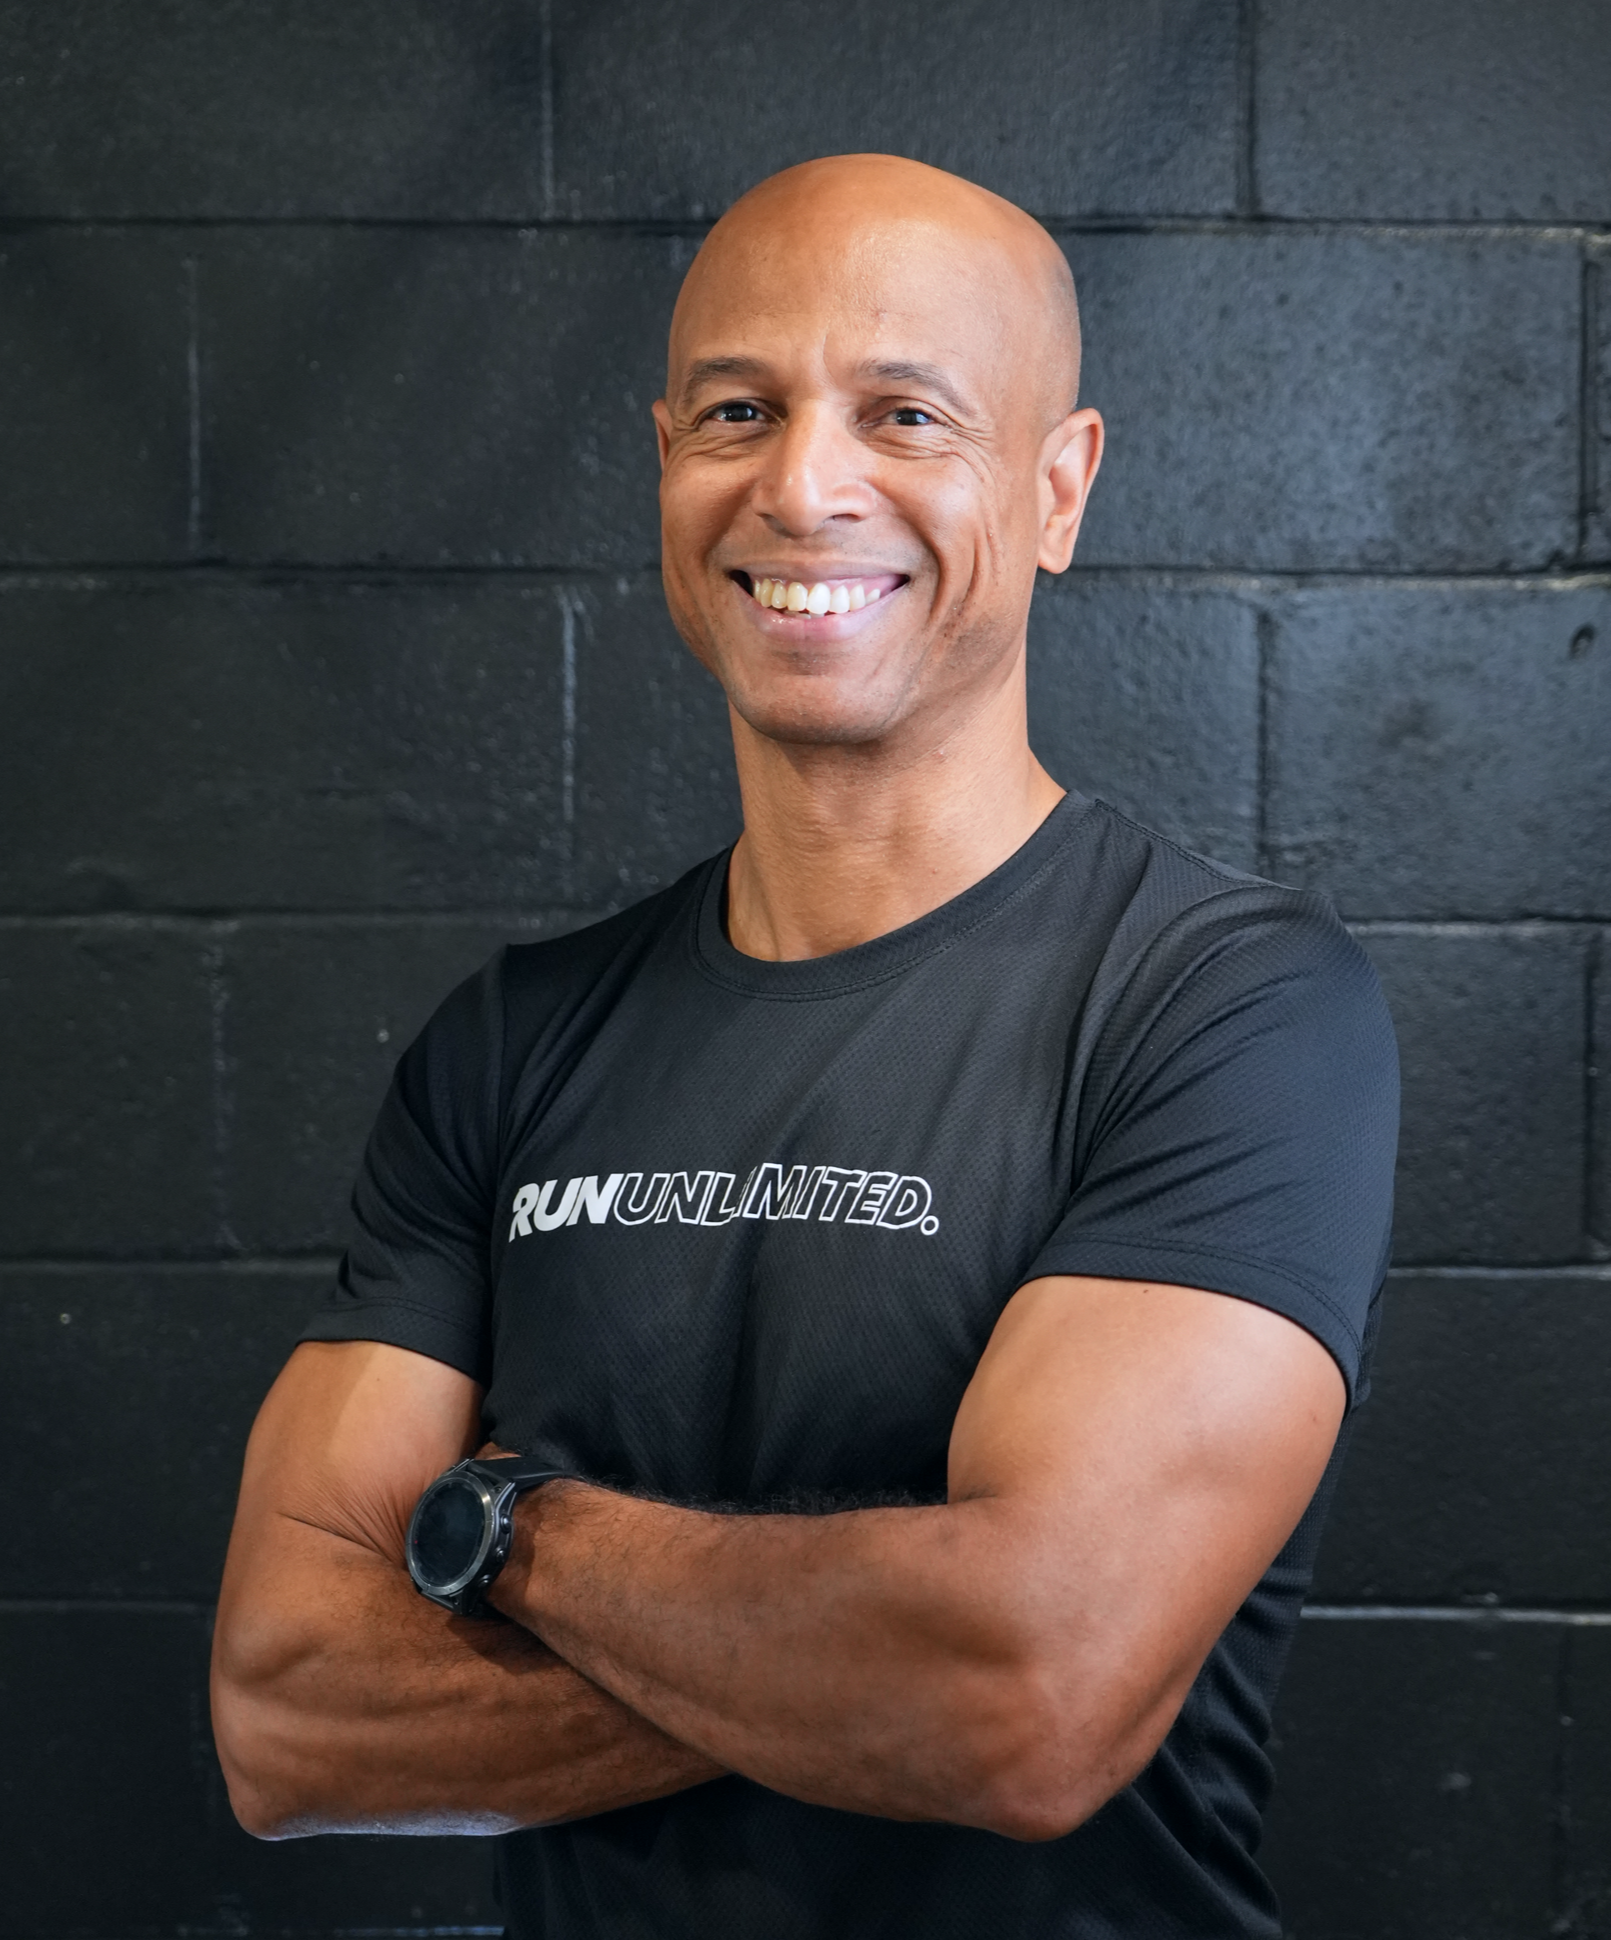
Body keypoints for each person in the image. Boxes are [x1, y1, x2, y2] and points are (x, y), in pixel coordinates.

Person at [211, 153, 1398, 1939]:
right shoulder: (512, 1042)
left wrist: (502, 1535)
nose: (803, 483)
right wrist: (855, 1653)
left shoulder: (1224, 1008)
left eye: (904, 412)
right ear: (665, 464)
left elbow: (1023, 1698)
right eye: (736, 411)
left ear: (1057, 488)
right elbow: (288, 1712)